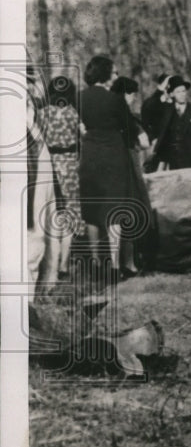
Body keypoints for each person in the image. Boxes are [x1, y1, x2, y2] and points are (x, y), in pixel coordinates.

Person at [78, 55, 145, 282]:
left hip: (89, 155)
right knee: (115, 209)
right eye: (114, 72)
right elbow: (129, 128)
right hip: (114, 156)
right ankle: (115, 266)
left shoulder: (79, 98)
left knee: (92, 212)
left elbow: (79, 127)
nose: (115, 76)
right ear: (106, 74)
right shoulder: (115, 100)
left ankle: (96, 263)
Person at [36, 75, 86, 283]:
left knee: (49, 215)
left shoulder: (41, 114)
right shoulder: (73, 114)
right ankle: (65, 263)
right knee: (69, 214)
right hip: (70, 165)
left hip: (48, 165)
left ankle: (50, 267)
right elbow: (84, 137)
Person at [111, 76, 159, 271]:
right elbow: (144, 142)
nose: (133, 99)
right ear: (127, 94)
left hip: (113, 166)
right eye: (132, 95)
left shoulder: (109, 113)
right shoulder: (126, 114)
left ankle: (120, 263)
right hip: (129, 162)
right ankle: (129, 262)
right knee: (131, 209)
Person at [150, 76, 191, 170]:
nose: (182, 94)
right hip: (174, 162)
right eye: (178, 92)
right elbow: (149, 106)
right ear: (172, 94)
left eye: (183, 91)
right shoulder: (167, 113)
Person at [140, 73, 173, 142]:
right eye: (166, 86)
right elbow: (146, 125)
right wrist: (160, 90)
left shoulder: (175, 103)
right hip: (157, 142)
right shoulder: (152, 103)